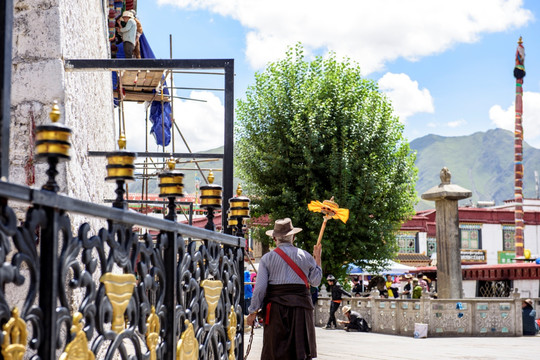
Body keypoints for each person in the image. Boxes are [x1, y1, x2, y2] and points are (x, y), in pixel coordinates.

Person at [246, 218, 322, 360]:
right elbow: (316, 281)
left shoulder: (267, 259)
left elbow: (260, 288)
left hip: (276, 310)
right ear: (293, 237)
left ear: (274, 238)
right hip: (301, 309)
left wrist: (252, 312)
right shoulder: (306, 256)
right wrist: (318, 258)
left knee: (275, 352)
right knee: (299, 353)